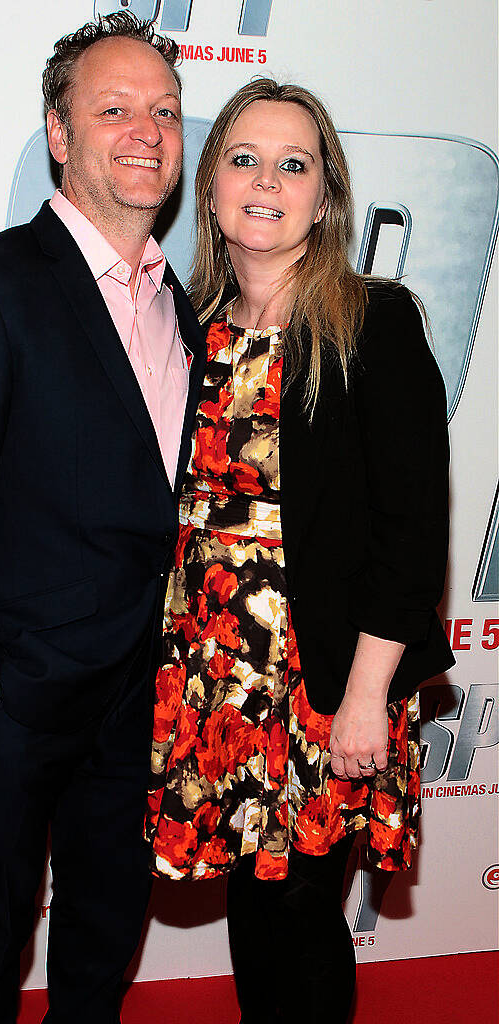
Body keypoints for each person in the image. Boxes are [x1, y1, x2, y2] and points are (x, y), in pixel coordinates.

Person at [0, 13, 205, 1024]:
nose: (146, 130)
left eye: (164, 110)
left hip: (139, 697)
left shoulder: (178, 304)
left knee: (104, 932)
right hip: (17, 701)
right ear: (60, 136)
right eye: (113, 108)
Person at [145, 78, 454, 1024]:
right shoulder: (183, 330)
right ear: (208, 188)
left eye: (294, 163)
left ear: (325, 196)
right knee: (250, 893)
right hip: (214, 679)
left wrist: (362, 698)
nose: (267, 181)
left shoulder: (373, 322)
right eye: (243, 158)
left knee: (305, 906)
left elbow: (413, 535)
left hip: (324, 678)